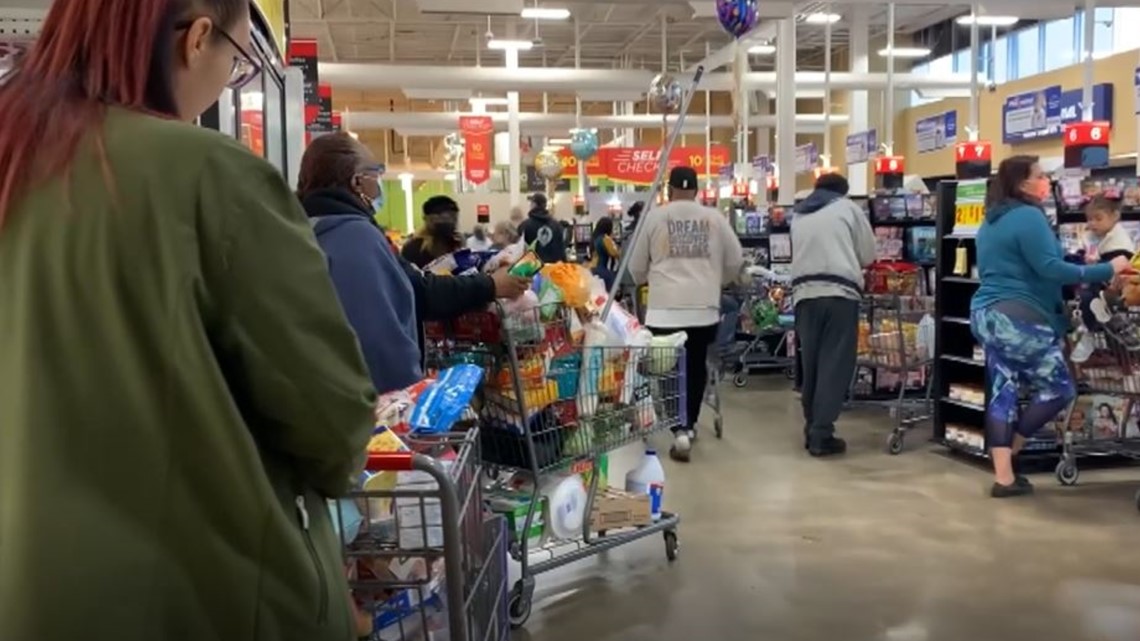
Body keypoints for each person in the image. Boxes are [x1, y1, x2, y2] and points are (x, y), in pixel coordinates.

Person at [0, 2, 377, 639]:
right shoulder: (209, 175)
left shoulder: (15, 161)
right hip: (199, 590)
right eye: (239, 60)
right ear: (198, 38)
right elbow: (331, 418)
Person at [297, 133, 530, 394]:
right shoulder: (357, 238)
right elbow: (385, 332)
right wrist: (411, 395)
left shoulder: (302, 233)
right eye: (376, 172)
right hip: (370, 400)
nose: (379, 183)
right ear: (358, 182)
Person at [971, 155, 1128, 498]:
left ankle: (1004, 476)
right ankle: (1012, 452)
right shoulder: (1029, 216)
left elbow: (1023, 264)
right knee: (1059, 389)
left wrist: (1073, 262)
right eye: (1040, 175)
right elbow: (1049, 269)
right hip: (1020, 317)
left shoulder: (993, 219)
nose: (1046, 181)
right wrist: (1108, 268)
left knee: (1003, 390)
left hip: (987, 315)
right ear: (1023, 183)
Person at [629, 166, 744, 462]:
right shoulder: (714, 219)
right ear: (696, 190)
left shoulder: (654, 218)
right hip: (703, 310)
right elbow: (736, 260)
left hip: (664, 309)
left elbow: (636, 267)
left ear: (669, 190)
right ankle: (688, 425)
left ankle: (677, 428)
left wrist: (647, 279)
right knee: (695, 366)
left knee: (667, 368)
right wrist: (716, 281)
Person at [790, 172, 876, 458]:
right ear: (843, 191)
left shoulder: (799, 214)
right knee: (834, 364)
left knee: (811, 364)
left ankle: (811, 425)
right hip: (840, 295)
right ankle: (821, 434)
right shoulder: (848, 209)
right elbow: (868, 254)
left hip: (804, 295)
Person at [402, 195, 464, 268]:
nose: (451, 222)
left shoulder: (456, 243)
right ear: (428, 219)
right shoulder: (414, 248)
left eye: (453, 217)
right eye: (444, 218)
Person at [518, 192, 567, 263]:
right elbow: (562, 250)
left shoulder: (525, 226)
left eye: (531, 203)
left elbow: (519, 249)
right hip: (553, 267)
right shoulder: (557, 226)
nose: (530, 205)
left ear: (534, 204)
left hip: (532, 267)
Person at [589, 217, 621, 289]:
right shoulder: (605, 239)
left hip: (594, 269)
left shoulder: (594, 238)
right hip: (604, 270)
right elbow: (614, 253)